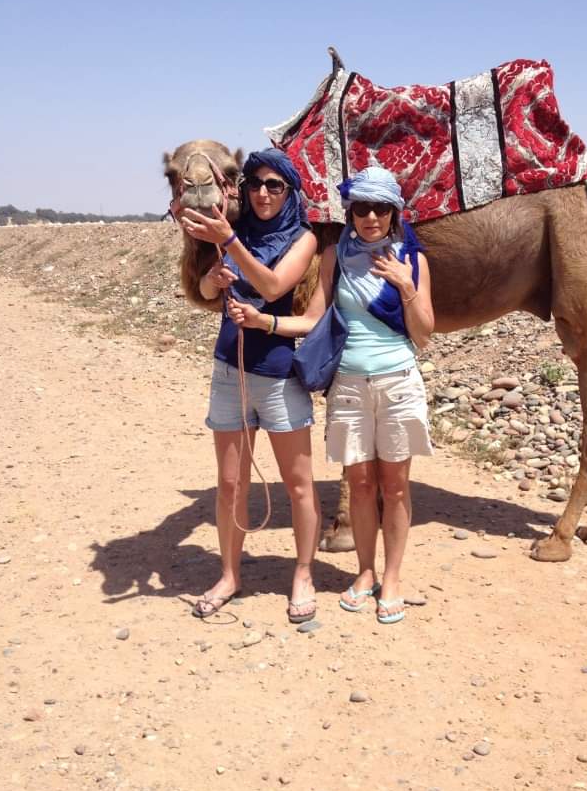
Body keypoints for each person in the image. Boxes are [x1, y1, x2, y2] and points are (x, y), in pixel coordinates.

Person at [229, 166, 434, 624]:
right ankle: (365, 572)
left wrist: (405, 285)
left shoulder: (413, 260)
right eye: (361, 208)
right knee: (359, 485)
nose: (370, 217)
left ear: (394, 212)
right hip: (348, 386)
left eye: (380, 208)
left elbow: (424, 334)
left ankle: (392, 578)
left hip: (397, 382)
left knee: (395, 486)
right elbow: (313, 319)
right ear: (350, 212)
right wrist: (266, 323)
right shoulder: (334, 255)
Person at [179, 148, 321, 623]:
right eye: (255, 184)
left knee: (299, 485)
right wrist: (213, 280)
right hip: (228, 372)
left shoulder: (302, 239)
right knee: (229, 484)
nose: (262, 193)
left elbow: (274, 286)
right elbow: (204, 293)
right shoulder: (234, 230)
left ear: (290, 191)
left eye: (274, 185)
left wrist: (230, 242)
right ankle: (229, 575)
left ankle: (303, 574)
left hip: (278, 377)